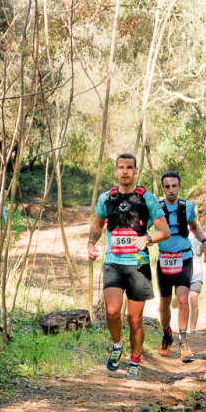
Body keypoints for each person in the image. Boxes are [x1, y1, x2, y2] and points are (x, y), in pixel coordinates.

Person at [86, 152, 168, 378]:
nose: (125, 171)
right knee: (112, 312)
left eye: (129, 167)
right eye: (121, 167)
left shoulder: (147, 198)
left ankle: (135, 360)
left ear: (135, 171)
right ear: (116, 171)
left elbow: (165, 231)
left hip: (138, 265)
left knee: (134, 319)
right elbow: (97, 225)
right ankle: (117, 346)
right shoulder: (106, 198)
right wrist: (91, 243)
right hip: (113, 263)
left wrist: (147, 238)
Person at [155, 171, 206, 363]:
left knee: (182, 298)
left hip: (184, 258)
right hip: (164, 259)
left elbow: (194, 227)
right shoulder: (156, 207)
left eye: (174, 186)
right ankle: (166, 335)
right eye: (167, 186)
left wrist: (205, 241)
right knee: (164, 302)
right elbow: (144, 227)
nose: (171, 190)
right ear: (163, 188)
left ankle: (183, 340)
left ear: (179, 186)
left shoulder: (187, 206)